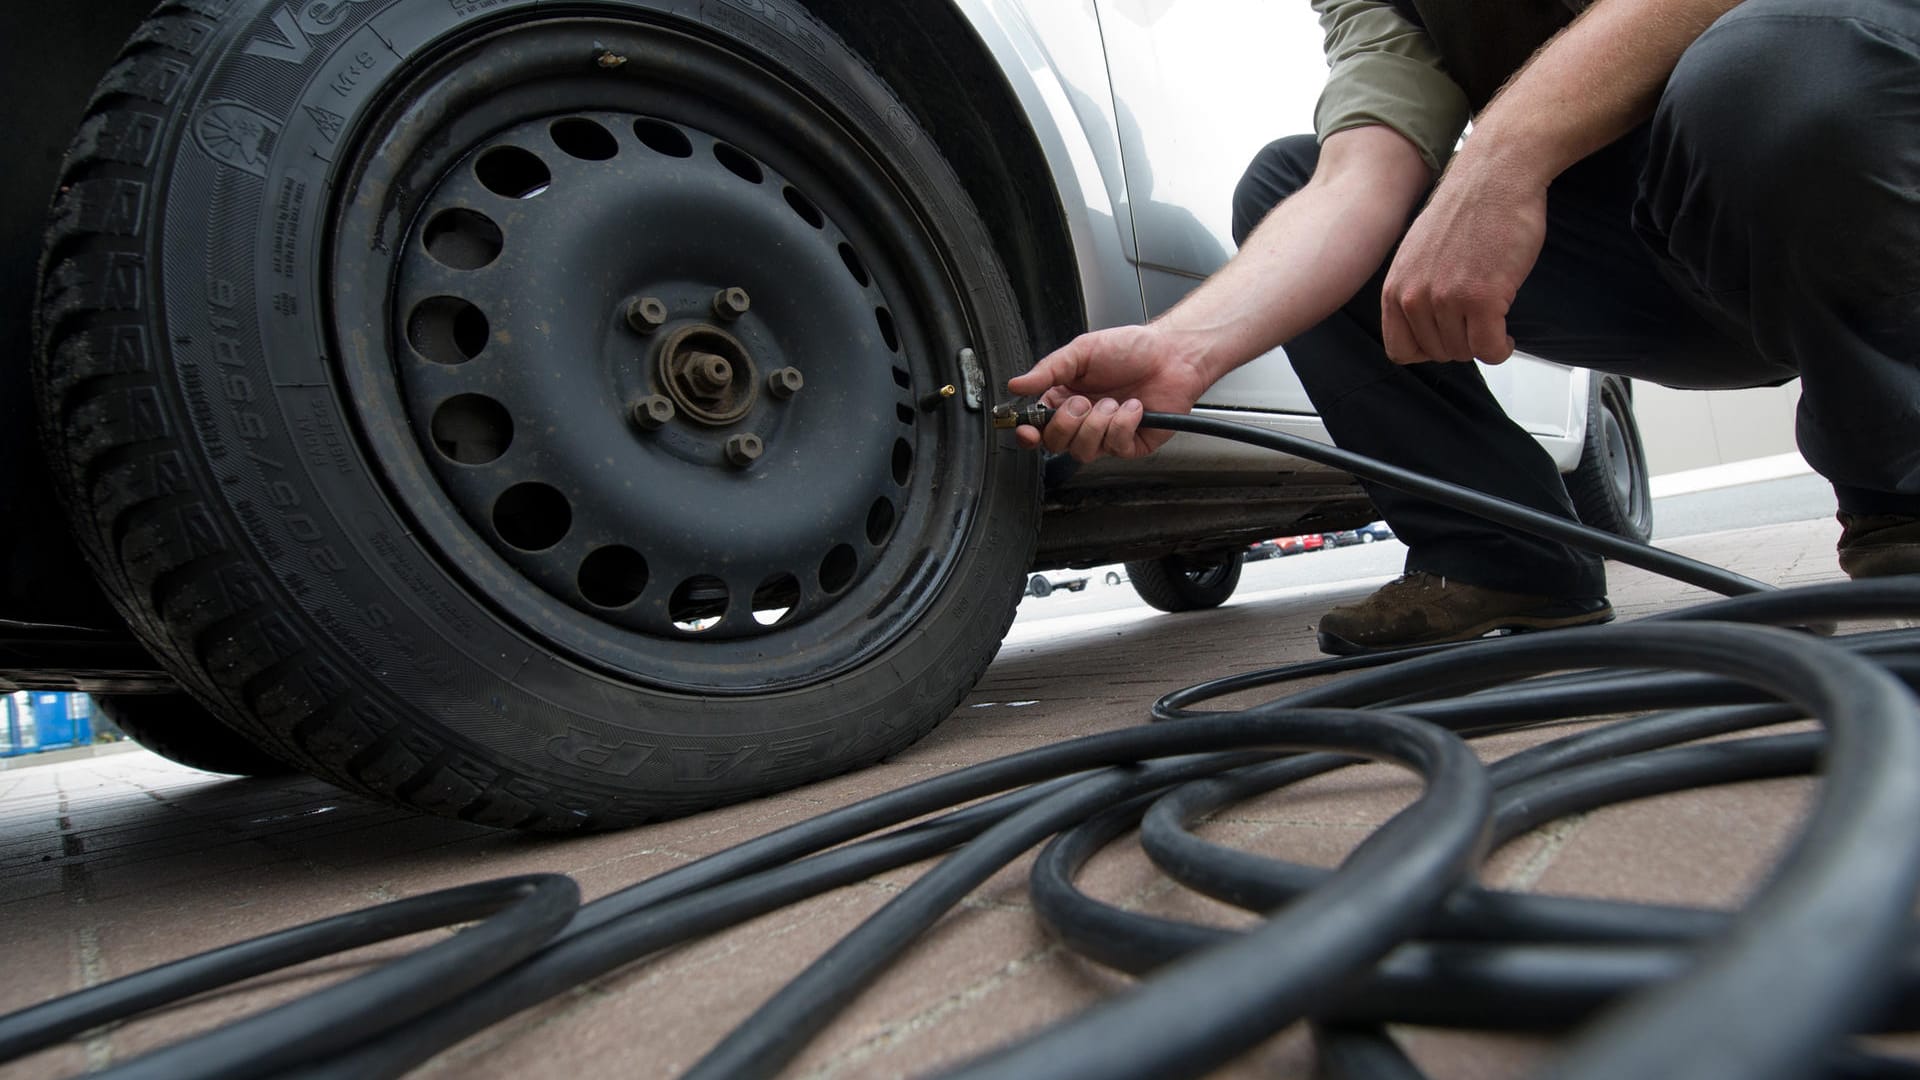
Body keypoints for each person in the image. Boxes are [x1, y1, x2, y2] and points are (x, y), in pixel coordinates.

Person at [1009, 0, 1920, 654]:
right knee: (1285, 184)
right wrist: (1184, 349)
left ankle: (1900, 494)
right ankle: (1506, 559)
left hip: (1852, 178)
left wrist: (1503, 156)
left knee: (1773, 62)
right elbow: (1357, 176)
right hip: (1675, 263)